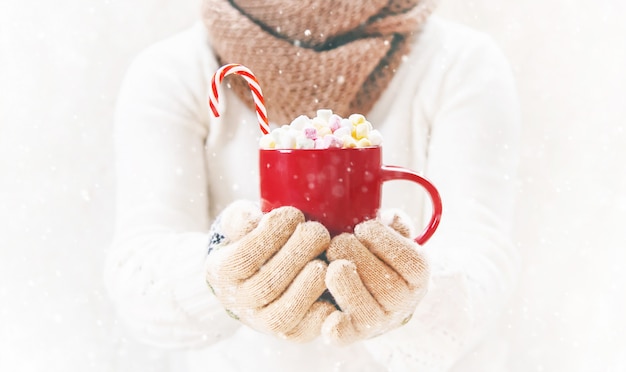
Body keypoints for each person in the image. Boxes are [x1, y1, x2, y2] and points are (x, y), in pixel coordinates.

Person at [104, 0, 521, 371]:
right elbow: (138, 278)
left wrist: (415, 295)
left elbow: (484, 265)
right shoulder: (172, 70)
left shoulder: (461, 63)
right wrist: (219, 272)